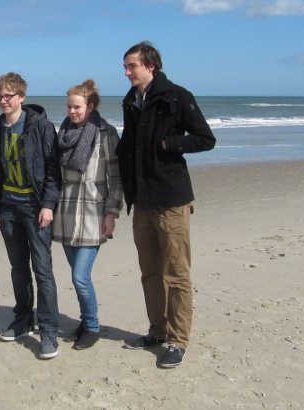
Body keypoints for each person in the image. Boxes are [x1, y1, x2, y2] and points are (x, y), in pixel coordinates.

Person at [116, 41, 216, 369]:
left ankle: (178, 339)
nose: (127, 71)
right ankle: (157, 331)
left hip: (171, 200)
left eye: (132, 66)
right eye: (126, 66)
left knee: (176, 274)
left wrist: (170, 143)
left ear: (150, 66)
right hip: (142, 201)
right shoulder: (131, 101)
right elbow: (129, 147)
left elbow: (205, 139)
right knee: (150, 272)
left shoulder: (176, 96)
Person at [0, 72, 62, 360]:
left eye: (9, 96)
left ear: (21, 97)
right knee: (18, 268)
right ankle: (22, 320)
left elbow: (52, 169)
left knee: (43, 270)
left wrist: (48, 205)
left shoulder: (40, 126)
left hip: (35, 207)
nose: (4, 101)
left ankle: (49, 330)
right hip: (8, 207)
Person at [52, 79, 123, 351]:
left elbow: (116, 177)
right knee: (76, 275)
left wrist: (112, 213)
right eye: (69, 106)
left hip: (93, 212)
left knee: (80, 277)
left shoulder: (106, 133)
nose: (72, 112)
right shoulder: (63, 132)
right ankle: (84, 322)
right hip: (66, 210)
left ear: (90, 107)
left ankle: (92, 326)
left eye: (77, 107)